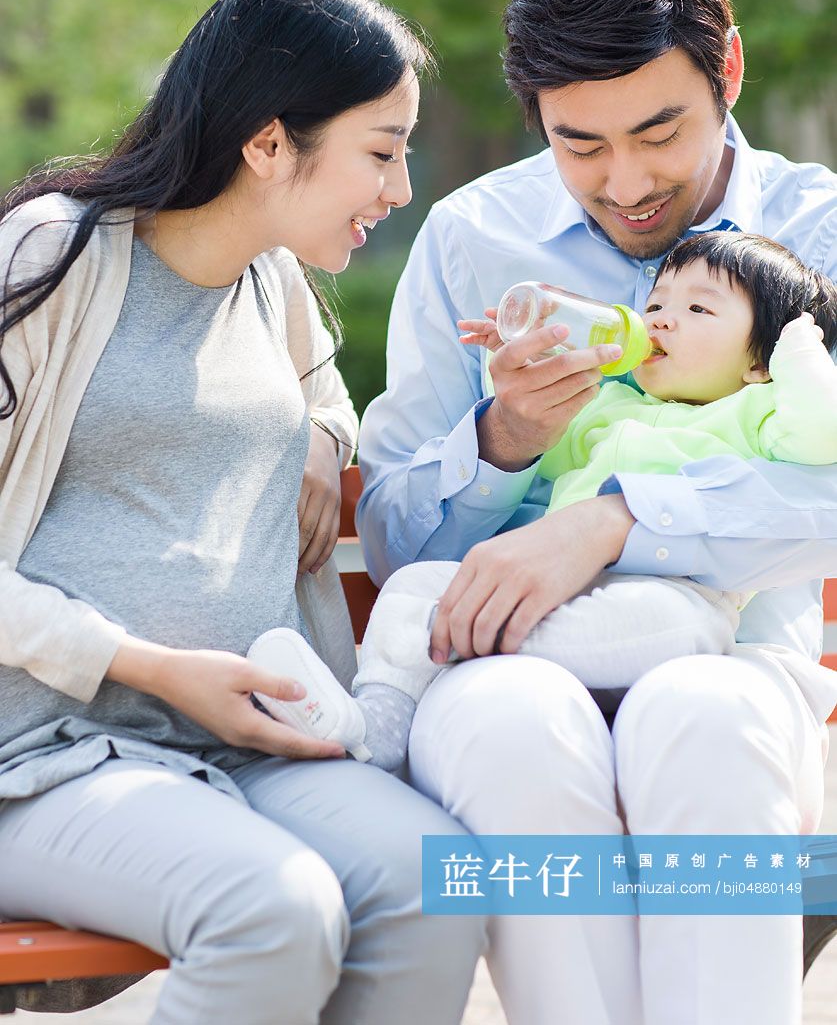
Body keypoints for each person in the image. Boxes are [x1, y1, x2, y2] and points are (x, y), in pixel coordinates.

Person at [357, 0, 837, 1025]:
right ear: (537, 119)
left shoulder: (818, 235)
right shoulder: (473, 240)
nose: (626, 182)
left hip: (738, 664)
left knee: (702, 717)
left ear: (729, 70)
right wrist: (504, 443)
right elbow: (391, 540)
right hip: (496, 666)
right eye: (581, 144)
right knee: (519, 726)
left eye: (660, 131)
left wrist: (619, 516)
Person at [0, 0, 486, 1025]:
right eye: (382, 152)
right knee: (274, 909)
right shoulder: (51, 260)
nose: (399, 191)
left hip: (244, 747)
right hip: (42, 759)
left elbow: (325, 403)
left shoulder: (275, 285)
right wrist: (155, 667)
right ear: (269, 143)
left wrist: (320, 437)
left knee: (435, 882)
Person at [251, 230, 837, 769]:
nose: (660, 321)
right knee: (414, 586)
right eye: (656, 304)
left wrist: (800, 354)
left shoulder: (757, 412)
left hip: (681, 604)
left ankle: (453, 638)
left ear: (759, 361)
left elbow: (821, 432)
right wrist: (521, 371)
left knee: (666, 625)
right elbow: (545, 455)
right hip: (558, 597)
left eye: (698, 309)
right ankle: (371, 733)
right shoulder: (611, 406)